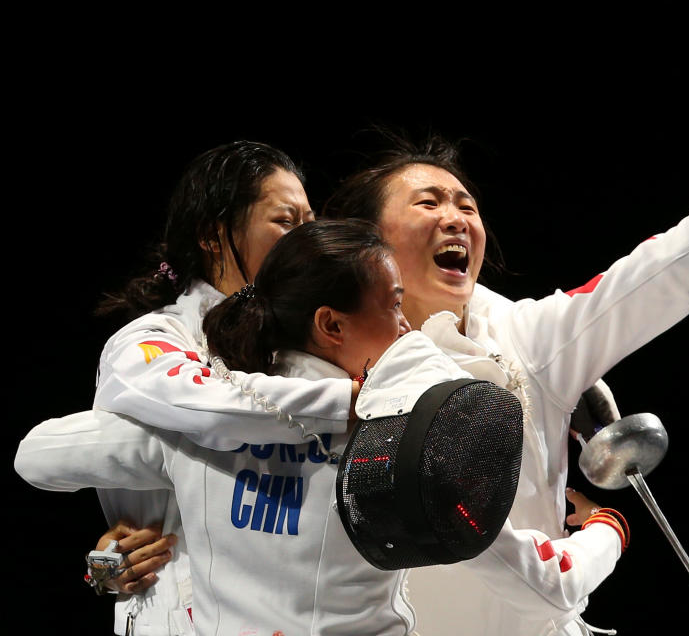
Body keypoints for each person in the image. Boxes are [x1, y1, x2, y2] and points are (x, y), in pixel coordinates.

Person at [316, 80, 689, 635]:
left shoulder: (532, 340)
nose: (457, 219)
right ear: (368, 239)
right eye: (428, 203)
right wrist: (605, 534)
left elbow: (670, 263)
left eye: (467, 206)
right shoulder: (310, 355)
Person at [17, 219, 629, 635]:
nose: (407, 325)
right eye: (393, 304)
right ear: (331, 324)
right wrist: (608, 529)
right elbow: (550, 584)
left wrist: (110, 558)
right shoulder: (405, 448)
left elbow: (36, 457)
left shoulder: (196, 417)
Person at [82, 140, 364, 634]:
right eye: (285, 221)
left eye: (310, 221)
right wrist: (352, 403)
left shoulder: (309, 339)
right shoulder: (148, 341)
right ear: (215, 236)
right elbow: (213, 411)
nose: (306, 238)